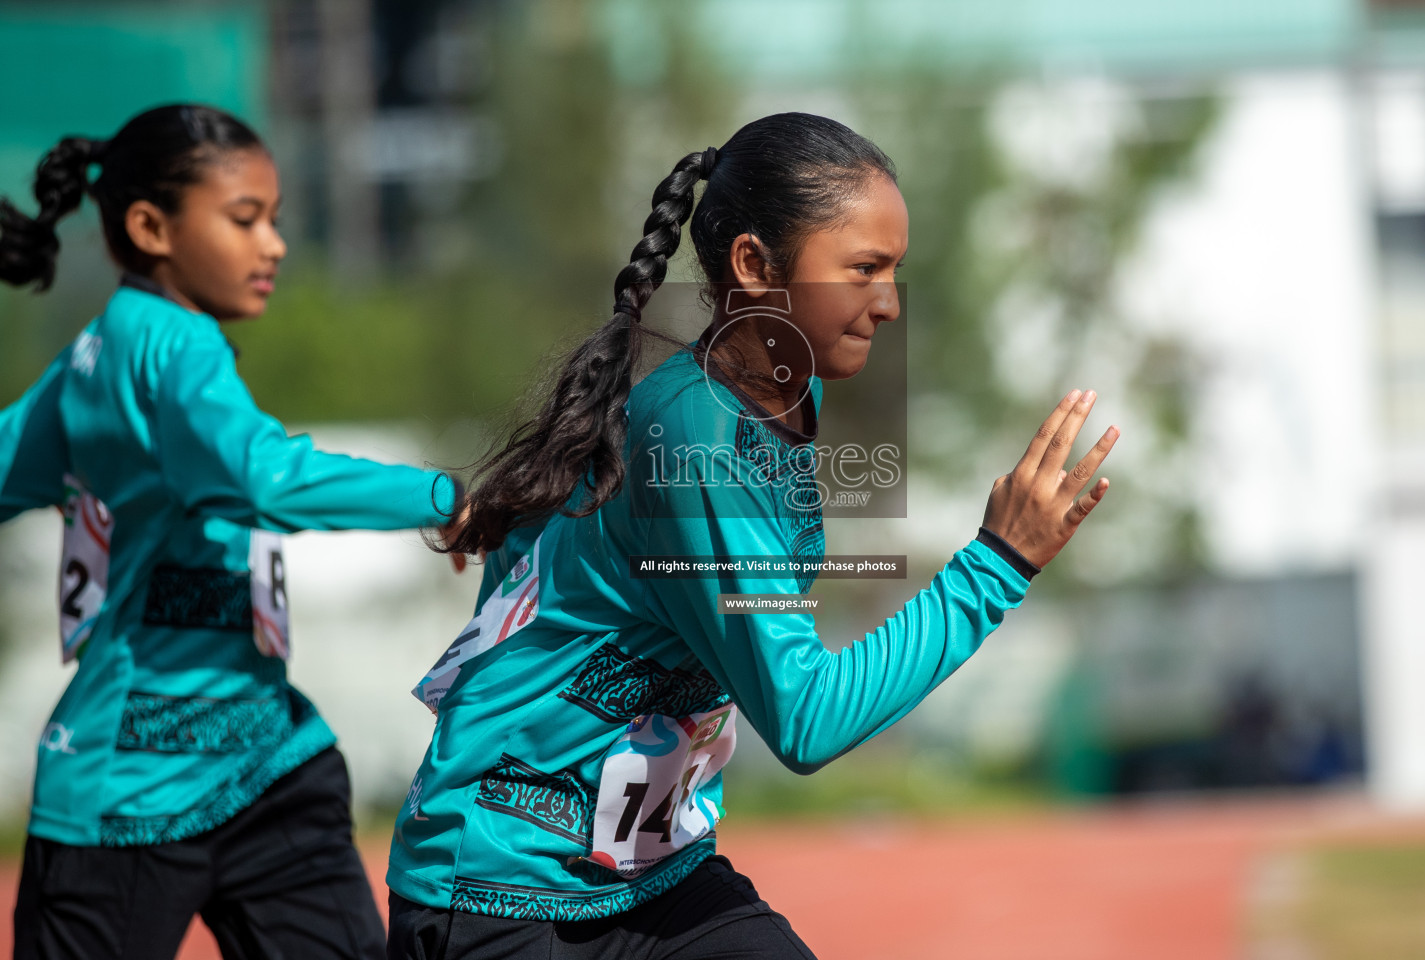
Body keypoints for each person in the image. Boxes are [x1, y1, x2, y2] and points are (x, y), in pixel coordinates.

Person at [387, 112, 1118, 959]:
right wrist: (997, 563)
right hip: (502, 894)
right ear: (755, 267)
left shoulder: (775, 395)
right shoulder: (696, 436)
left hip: (646, 879)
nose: (888, 304)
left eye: (895, 271)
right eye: (863, 270)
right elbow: (805, 718)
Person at [0, 104, 465, 960]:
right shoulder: (174, 346)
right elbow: (264, 479)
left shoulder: (92, 355)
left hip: (261, 766)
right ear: (151, 228)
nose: (275, 245)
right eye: (245, 219)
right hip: (136, 793)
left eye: (276, 221)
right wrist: (448, 497)